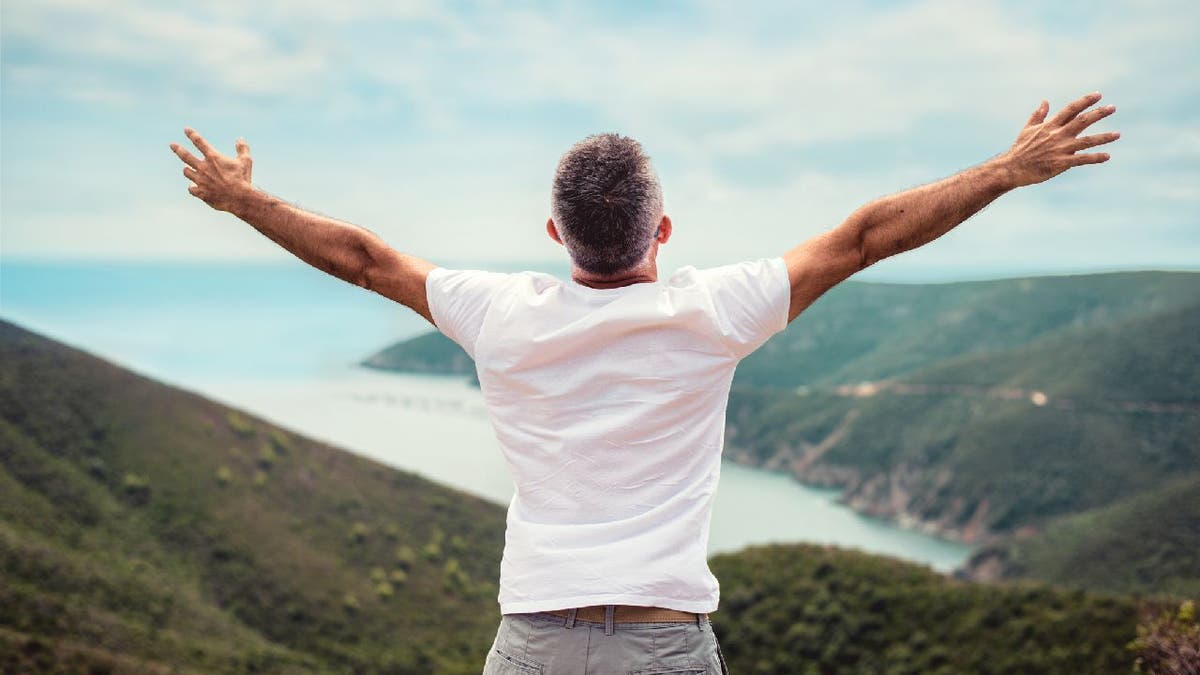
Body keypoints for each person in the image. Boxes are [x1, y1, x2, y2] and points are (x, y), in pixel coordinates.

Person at [170, 92, 1118, 674]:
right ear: (663, 231)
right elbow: (866, 236)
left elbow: (365, 258)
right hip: (665, 644)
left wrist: (242, 198)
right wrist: (1006, 168)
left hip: (533, 642)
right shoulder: (712, 311)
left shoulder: (501, 313)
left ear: (555, 236)